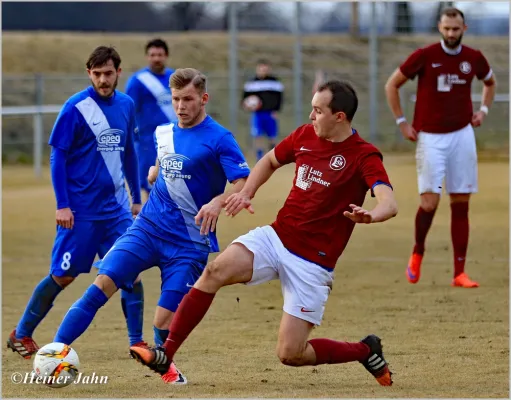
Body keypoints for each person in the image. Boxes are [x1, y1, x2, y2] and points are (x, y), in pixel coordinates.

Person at [130, 80, 398, 387]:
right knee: (215, 270)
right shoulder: (305, 135)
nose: (311, 117)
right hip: (277, 237)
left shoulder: (364, 156)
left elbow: (389, 203)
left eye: (318, 110)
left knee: (291, 353)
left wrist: (371, 215)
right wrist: (247, 193)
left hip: (312, 262)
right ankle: (166, 352)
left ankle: (365, 350)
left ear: (339, 117)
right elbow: (270, 160)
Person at [51, 68, 250, 384]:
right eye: (175, 99)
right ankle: (54, 355)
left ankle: (168, 369)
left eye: (188, 99)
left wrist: (218, 201)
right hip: (146, 230)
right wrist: (156, 173)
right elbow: (161, 166)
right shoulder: (163, 132)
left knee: (163, 321)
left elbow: (243, 180)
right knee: (101, 285)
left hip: (189, 243)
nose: (181, 106)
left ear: (204, 99)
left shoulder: (220, 138)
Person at [7, 46, 144, 359]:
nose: (102, 79)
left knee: (131, 271)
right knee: (63, 275)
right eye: (96, 74)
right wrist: (63, 205)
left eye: (108, 73)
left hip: (116, 211)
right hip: (80, 213)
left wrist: (136, 199)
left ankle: (136, 342)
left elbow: (130, 153)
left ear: (118, 72)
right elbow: (58, 157)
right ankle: (22, 333)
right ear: (89, 74)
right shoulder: (76, 107)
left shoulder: (126, 104)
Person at [384, 7, 496, 288]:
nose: (450, 33)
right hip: (430, 138)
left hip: (462, 135)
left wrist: (483, 110)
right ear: (439, 27)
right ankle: (417, 251)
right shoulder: (424, 56)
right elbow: (392, 85)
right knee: (429, 202)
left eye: (455, 29)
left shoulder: (474, 58)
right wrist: (402, 122)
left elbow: (490, 82)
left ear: (464, 29)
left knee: (461, 202)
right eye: (446, 28)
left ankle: (459, 273)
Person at [125, 38, 176, 196]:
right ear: (147, 56)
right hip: (148, 141)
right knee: (150, 183)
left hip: (174, 138)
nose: (156, 58)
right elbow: (129, 111)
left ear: (166, 56)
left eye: (160, 55)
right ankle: (151, 219)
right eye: (152, 55)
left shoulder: (175, 78)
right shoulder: (138, 81)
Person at [242, 59, 283, 161]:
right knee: (257, 135)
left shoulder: (275, 82)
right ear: (258, 69)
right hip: (257, 114)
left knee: (272, 136)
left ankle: (273, 157)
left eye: (266, 68)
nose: (263, 70)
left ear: (269, 69)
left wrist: (276, 110)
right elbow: (245, 99)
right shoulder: (251, 83)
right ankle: (259, 157)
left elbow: (279, 98)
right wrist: (247, 106)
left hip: (270, 113)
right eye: (261, 68)